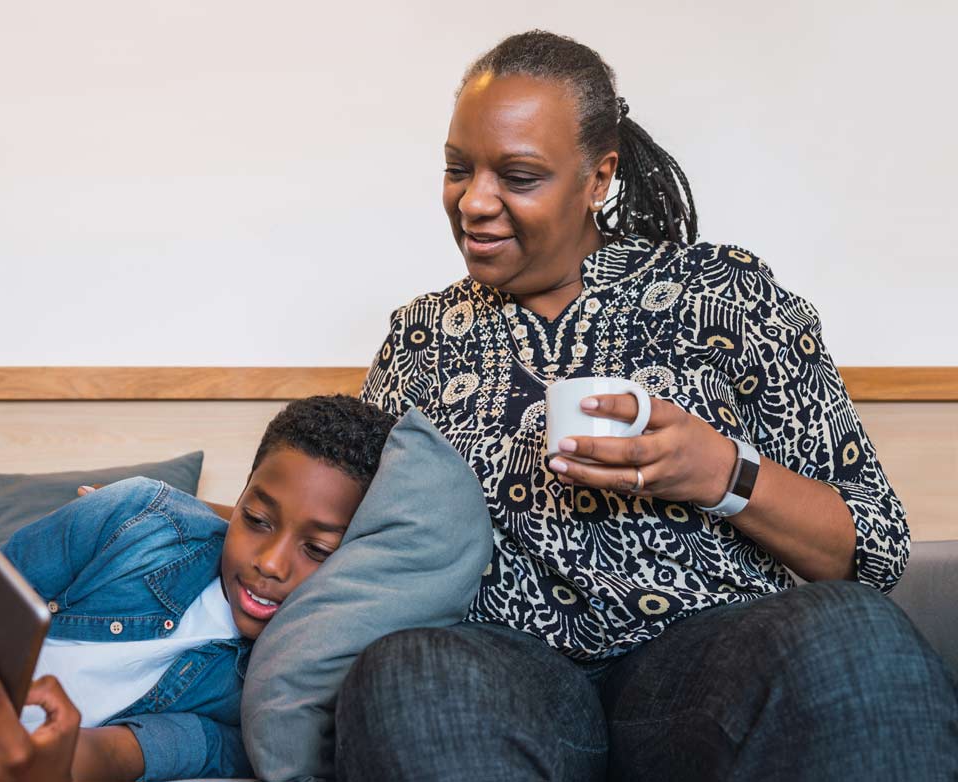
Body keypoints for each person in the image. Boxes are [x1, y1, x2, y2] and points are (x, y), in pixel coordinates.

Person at [335, 30, 958, 781]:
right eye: (457, 169)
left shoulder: (724, 295)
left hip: (707, 664)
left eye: (519, 175)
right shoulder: (422, 336)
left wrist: (720, 472)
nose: (474, 201)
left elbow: (872, 550)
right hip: (497, 677)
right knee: (405, 670)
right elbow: (358, 545)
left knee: (854, 637)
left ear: (599, 177)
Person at [0, 394, 397, 782]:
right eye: (255, 520)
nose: (272, 563)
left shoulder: (267, 699)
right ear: (237, 500)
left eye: (318, 550)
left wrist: (57, 764)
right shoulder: (145, 514)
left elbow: (129, 756)